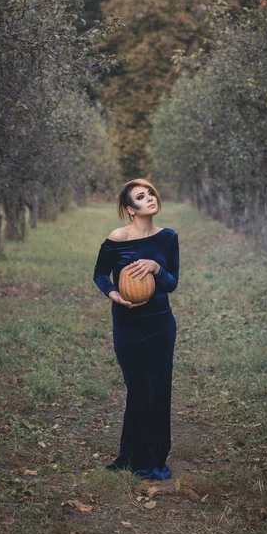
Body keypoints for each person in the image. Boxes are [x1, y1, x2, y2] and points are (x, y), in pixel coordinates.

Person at [93, 179, 179, 480]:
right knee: (139, 388)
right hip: (127, 324)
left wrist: (157, 268)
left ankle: (151, 459)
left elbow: (172, 284)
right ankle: (130, 455)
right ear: (131, 209)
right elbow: (100, 273)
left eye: (151, 193)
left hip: (160, 323)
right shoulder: (117, 238)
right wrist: (113, 294)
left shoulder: (168, 238)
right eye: (142, 197)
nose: (150, 198)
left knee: (157, 389)